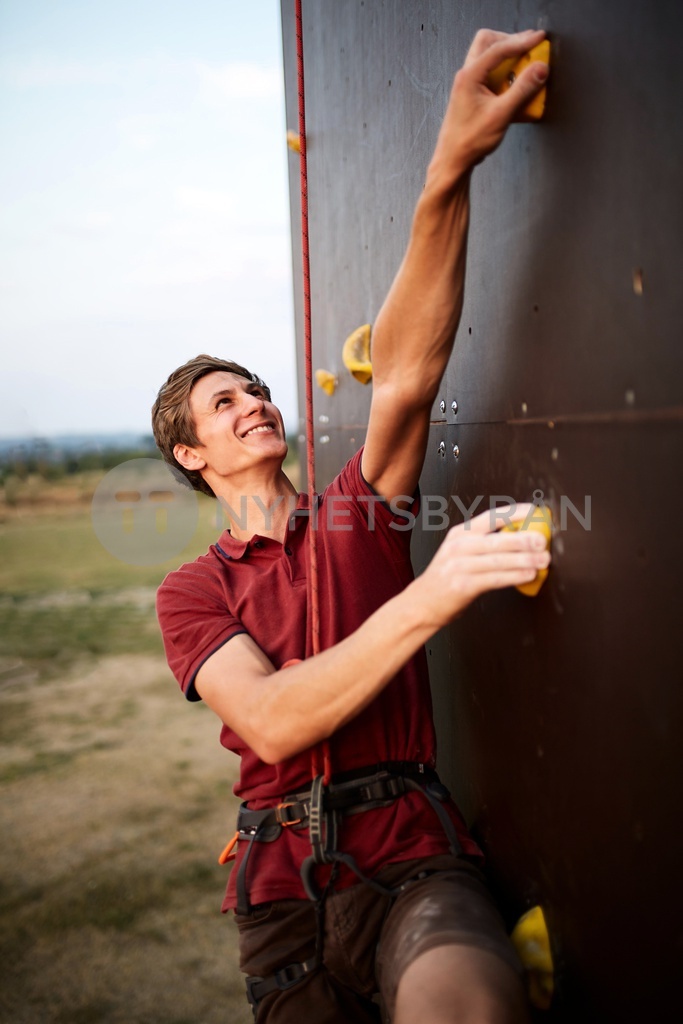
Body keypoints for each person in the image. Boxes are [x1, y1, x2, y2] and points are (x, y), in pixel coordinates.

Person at [153, 28, 550, 1024]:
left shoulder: (353, 511)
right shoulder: (193, 590)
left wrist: (449, 165)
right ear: (191, 456)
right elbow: (278, 720)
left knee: (464, 1007)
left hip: (412, 851)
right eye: (219, 403)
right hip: (281, 893)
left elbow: (410, 368)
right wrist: (434, 590)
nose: (249, 400)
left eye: (251, 386)